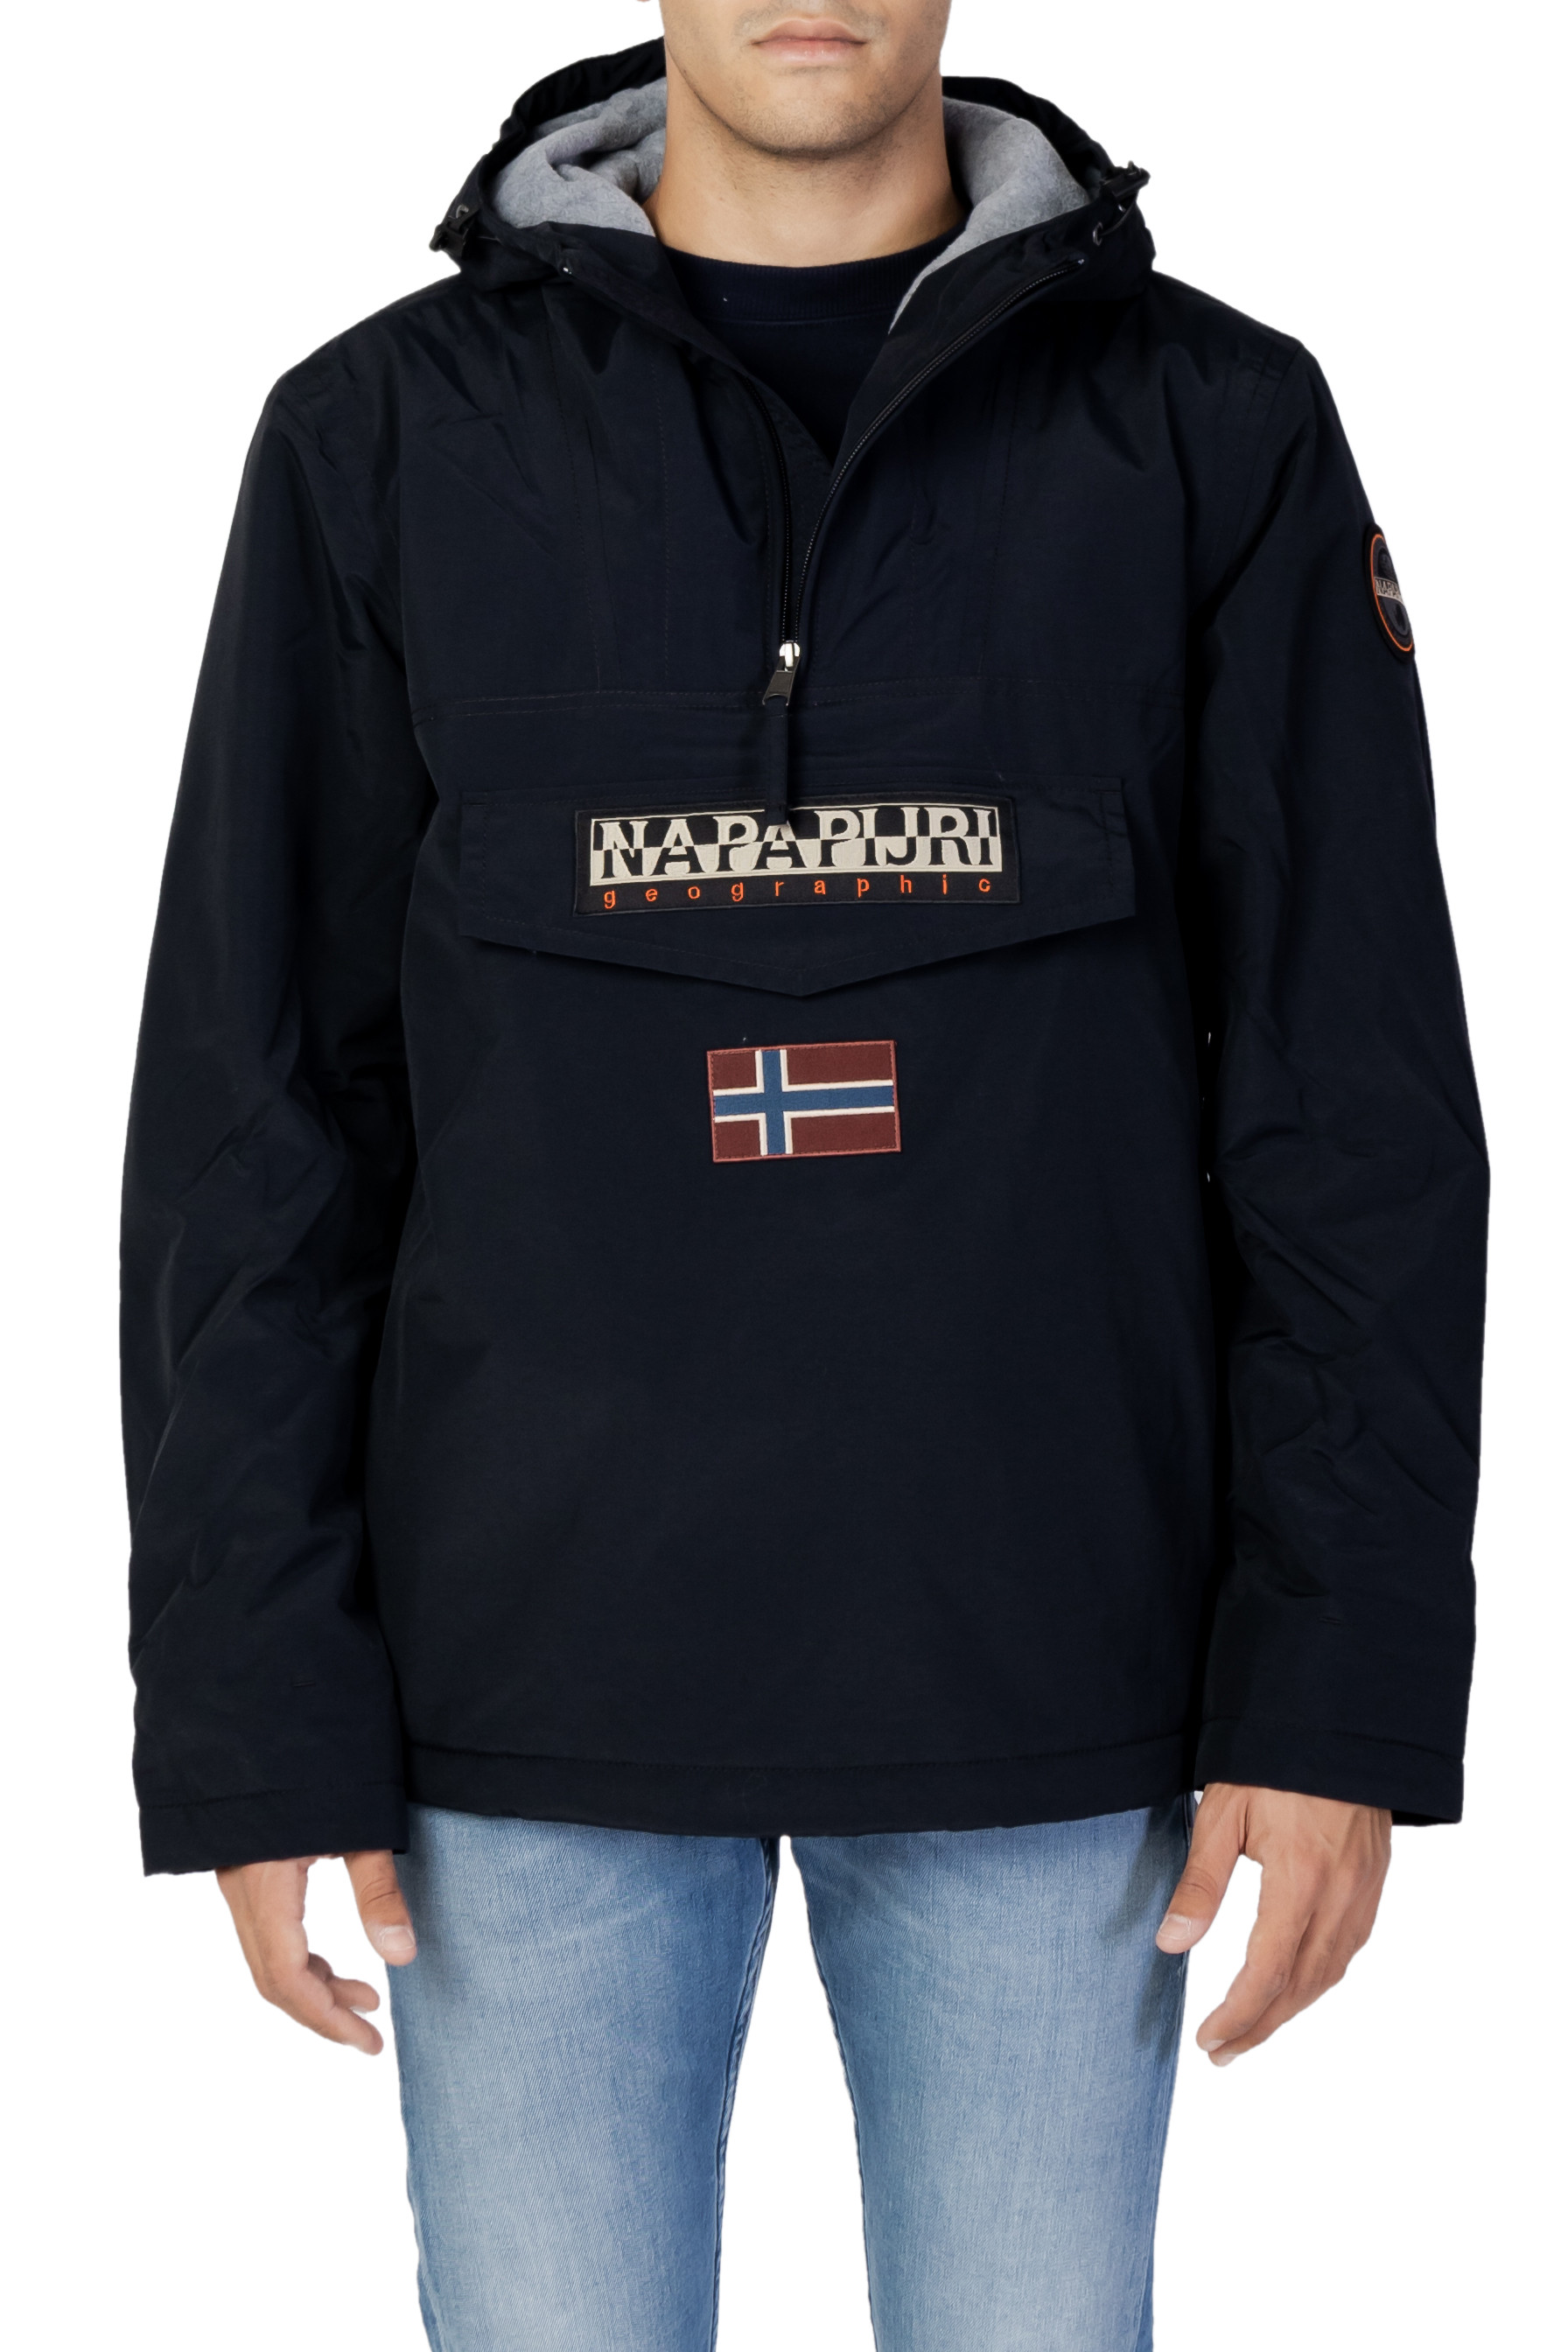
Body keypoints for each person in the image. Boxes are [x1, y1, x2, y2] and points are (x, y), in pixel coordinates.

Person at [122, 6, 1487, 2347]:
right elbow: (257, 1122)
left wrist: (1334, 1688)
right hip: (515, 1698)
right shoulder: (382, 434)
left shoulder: (1212, 423)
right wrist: (255, 1716)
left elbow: (1348, 1101)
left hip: (1059, 1676)